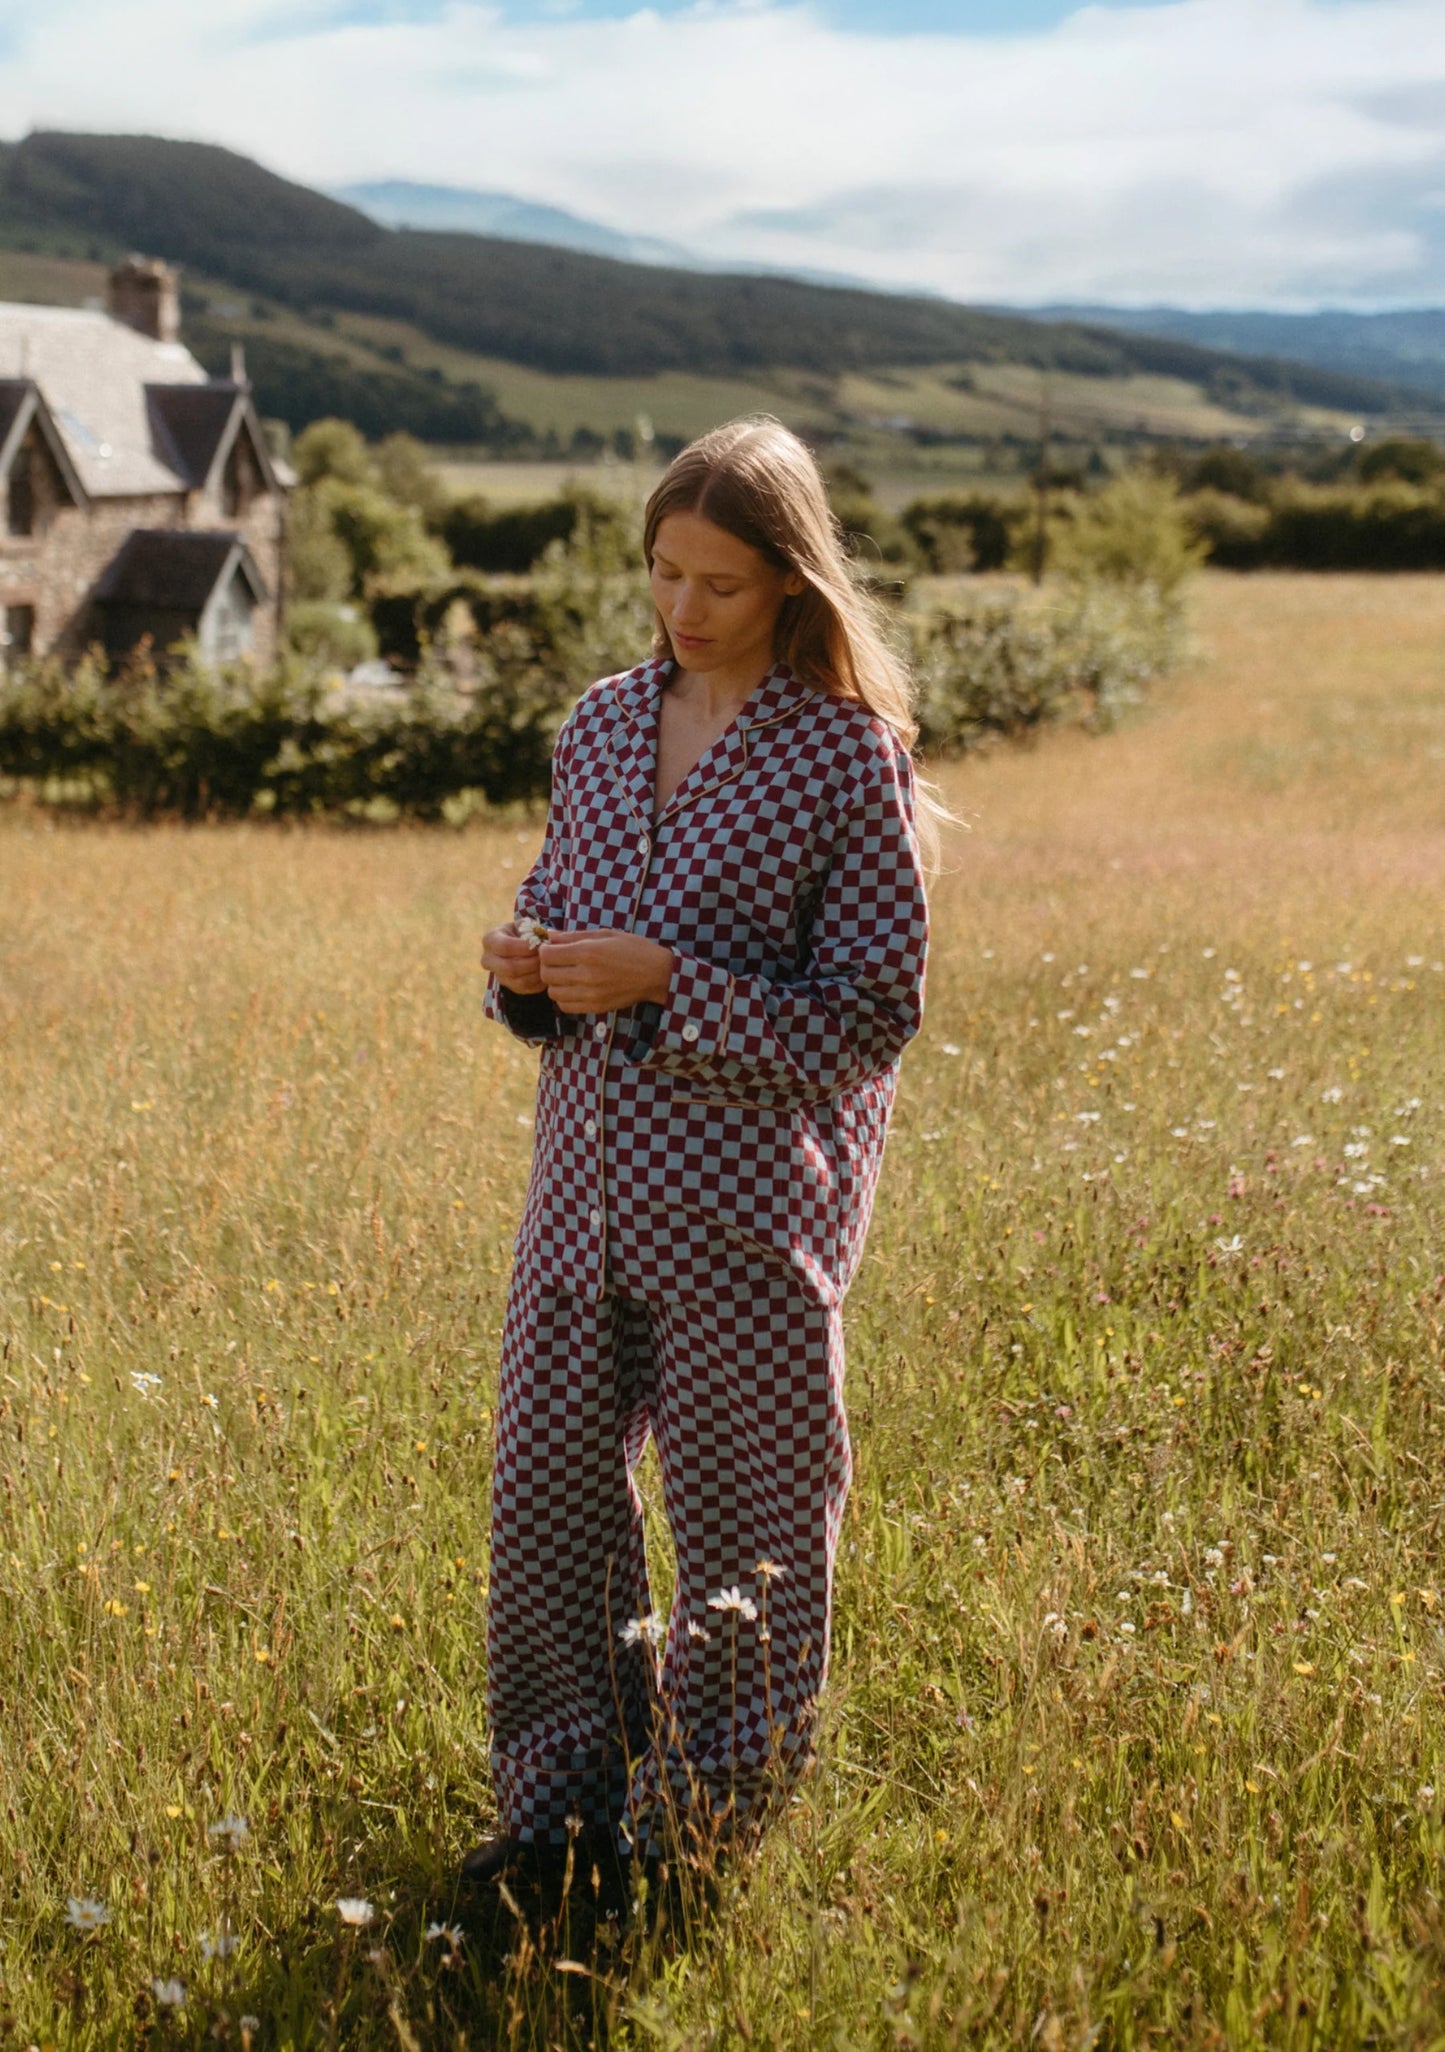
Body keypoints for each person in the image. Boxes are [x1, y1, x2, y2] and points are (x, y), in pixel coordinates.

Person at [469, 416, 931, 1884]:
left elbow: (870, 1016)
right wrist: (522, 969)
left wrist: (671, 982)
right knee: (545, 1502)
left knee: (747, 1528)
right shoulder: (600, 723)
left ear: (791, 582)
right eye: (663, 572)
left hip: (743, 1218)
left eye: (719, 583)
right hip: (579, 1196)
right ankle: (553, 1818)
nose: (682, 609)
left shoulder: (845, 757)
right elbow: (557, 900)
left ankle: (690, 1833)